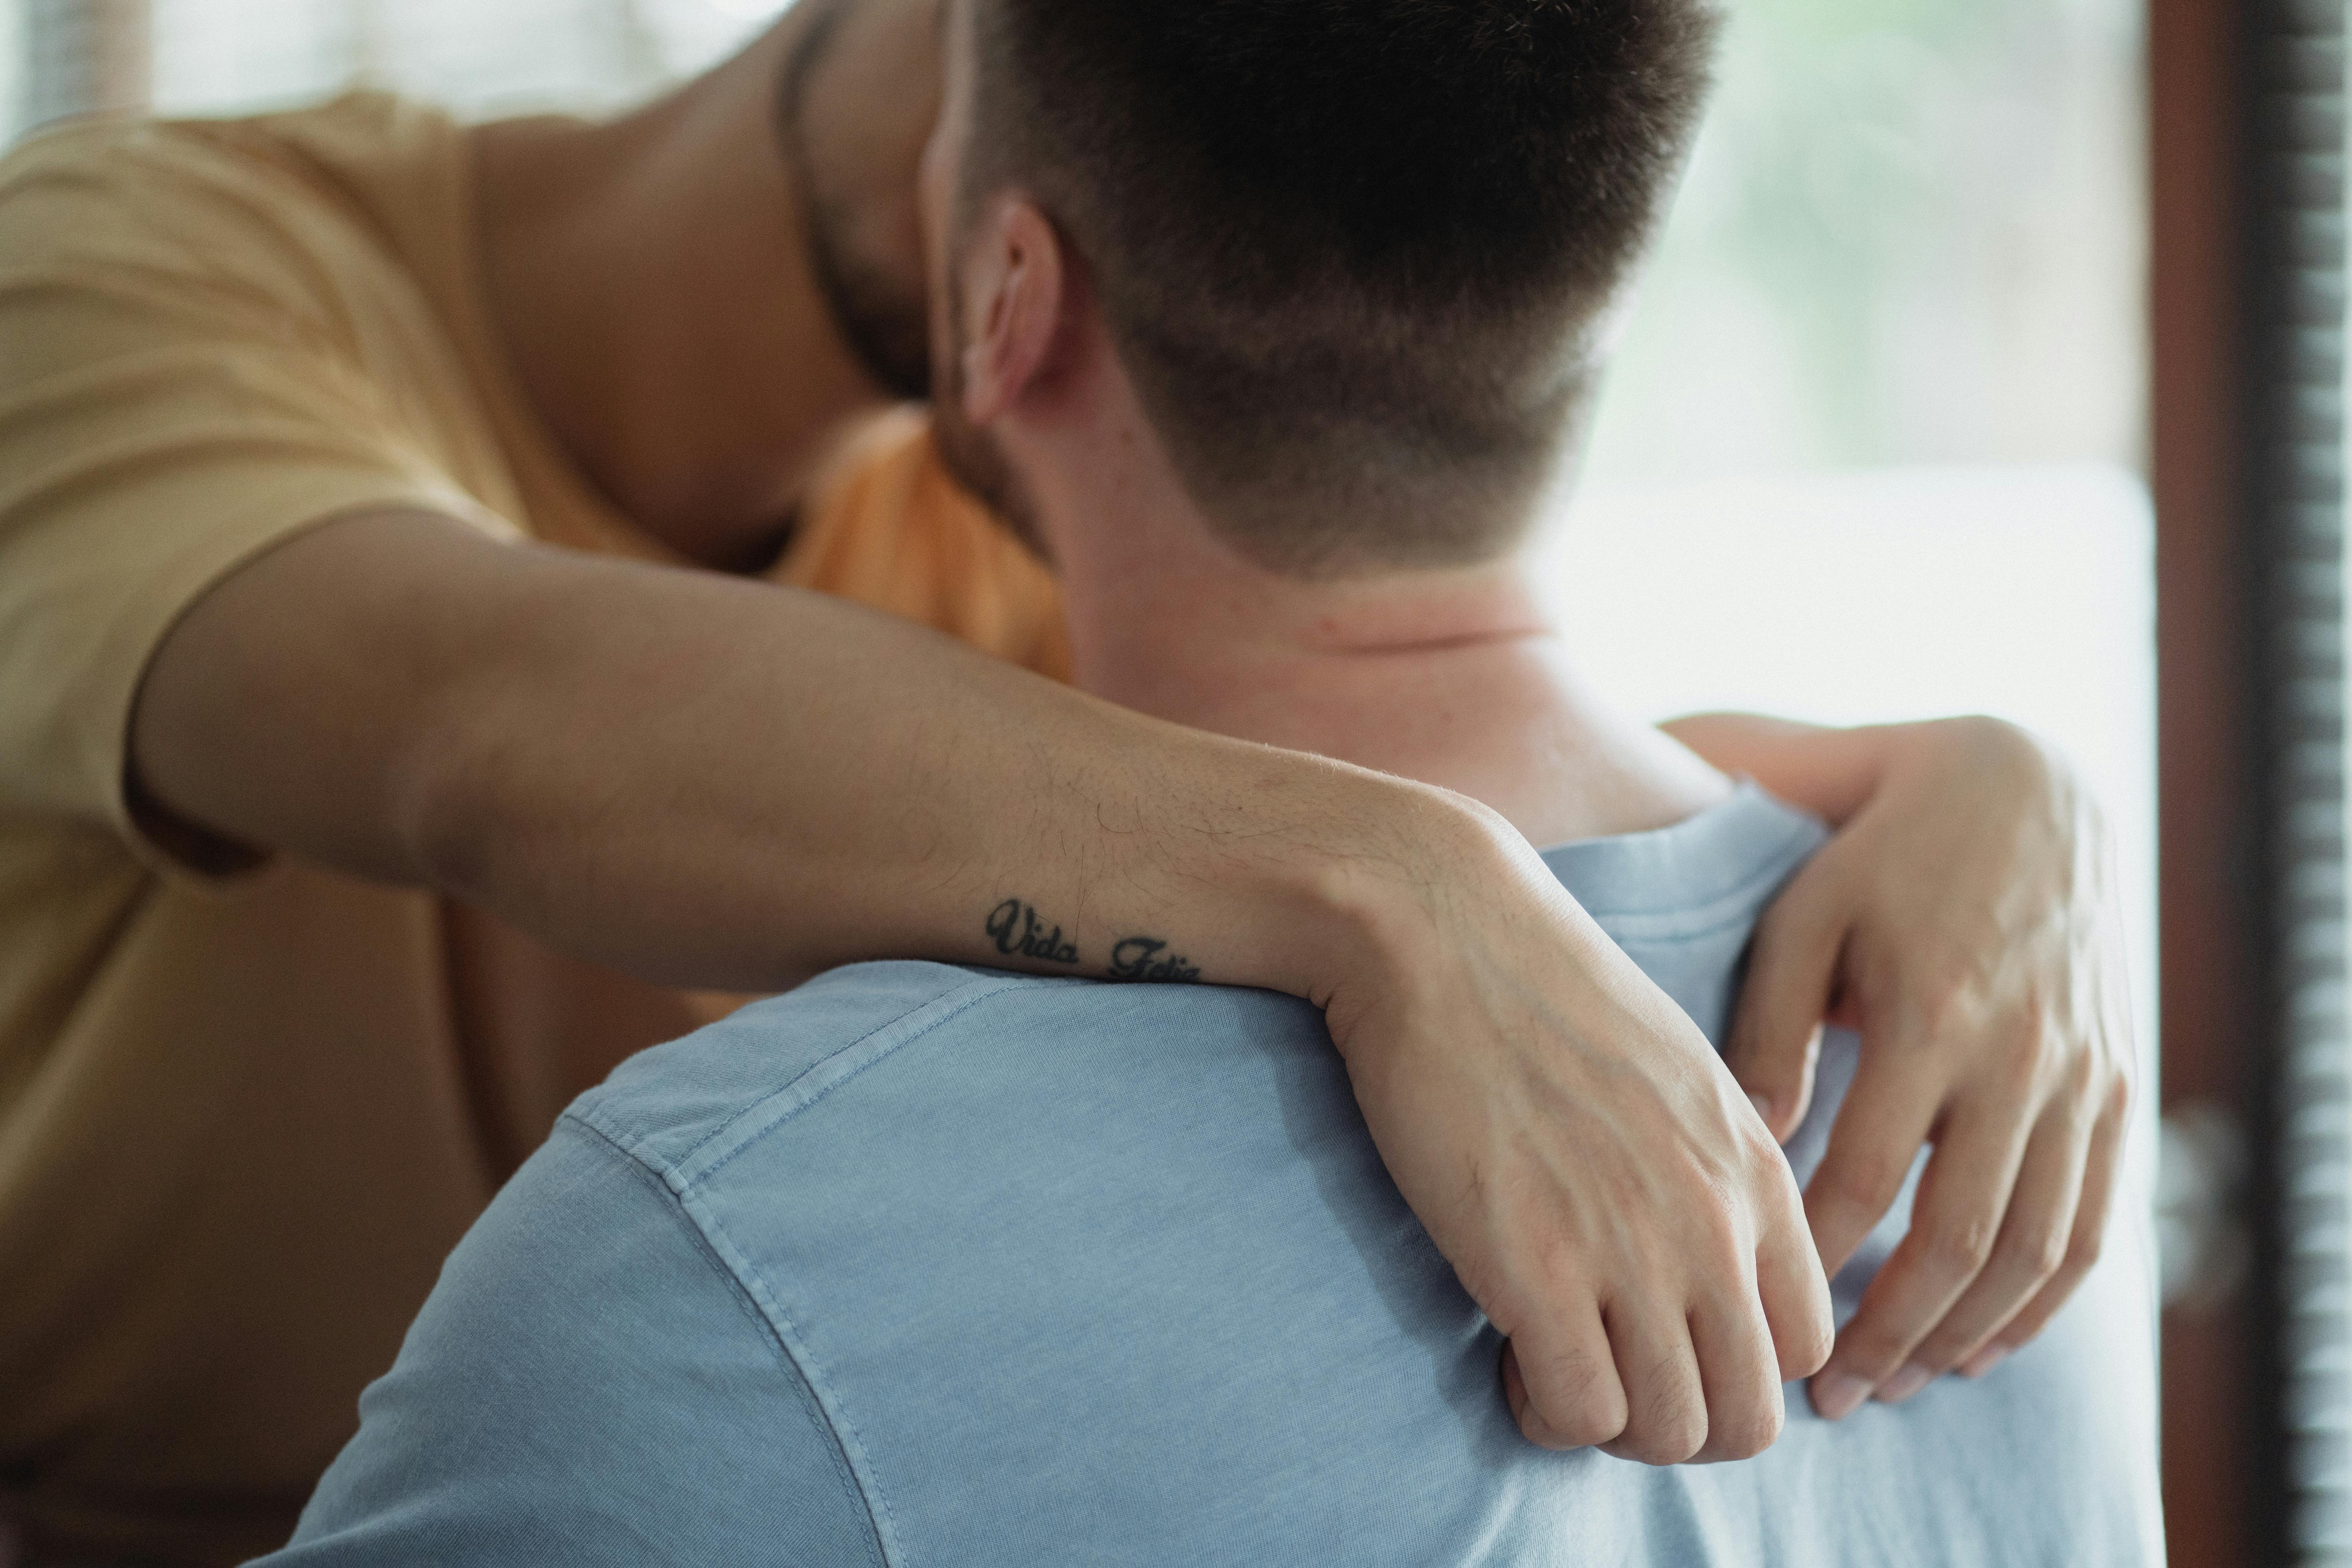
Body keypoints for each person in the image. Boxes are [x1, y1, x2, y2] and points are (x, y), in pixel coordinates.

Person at [0, 0, 2132, 1561]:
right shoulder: (111, 283)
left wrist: (1987, 778)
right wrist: (1400, 889)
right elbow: (482, 710)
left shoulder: (1028, 507)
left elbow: (1374, 689)